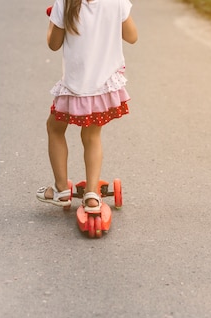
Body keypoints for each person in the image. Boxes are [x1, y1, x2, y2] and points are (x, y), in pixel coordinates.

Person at [36, 0, 138, 213]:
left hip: (75, 87)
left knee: (55, 128)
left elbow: (53, 44)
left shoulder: (65, 3)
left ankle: (61, 188)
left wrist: (53, 20)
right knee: (91, 137)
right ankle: (92, 194)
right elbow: (132, 36)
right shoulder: (117, 2)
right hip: (104, 87)